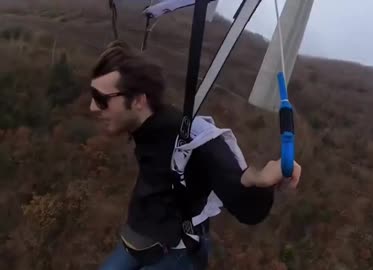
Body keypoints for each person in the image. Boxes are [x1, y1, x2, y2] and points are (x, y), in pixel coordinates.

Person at [89, 41, 302, 270]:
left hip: (175, 253)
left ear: (139, 101)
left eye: (102, 100)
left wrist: (260, 182)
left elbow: (243, 202)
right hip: (139, 238)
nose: (92, 107)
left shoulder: (192, 138)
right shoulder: (142, 126)